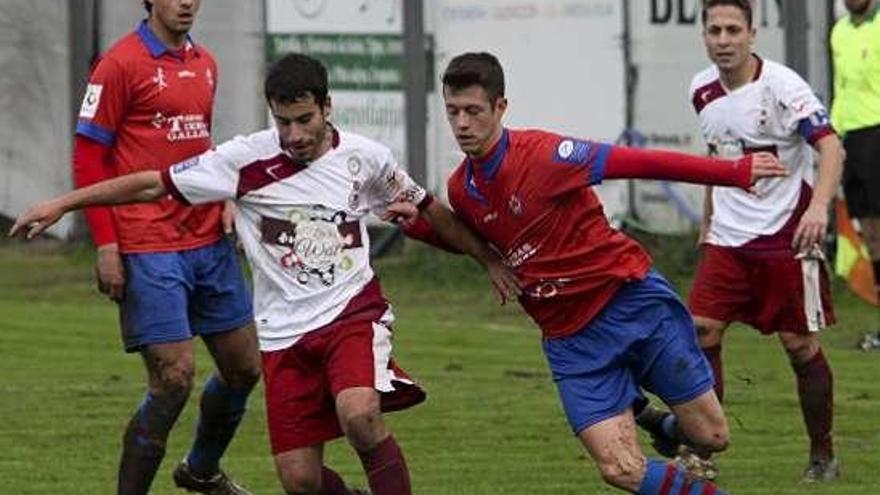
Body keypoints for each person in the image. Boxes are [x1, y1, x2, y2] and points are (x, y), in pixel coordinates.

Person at [13, 52, 520, 495]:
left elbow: (428, 209)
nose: (295, 135)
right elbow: (152, 185)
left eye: (304, 119)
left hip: (350, 314)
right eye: (284, 122)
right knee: (299, 480)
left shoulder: (366, 159)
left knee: (360, 414)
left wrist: (488, 258)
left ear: (327, 107)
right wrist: (63, 203)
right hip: (282, 335)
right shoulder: (244, 160)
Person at [386, 51, 787, 495]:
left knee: (712, 436)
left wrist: (734, 172)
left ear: (501, 108)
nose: (462, 124)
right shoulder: (462, 189)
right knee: (620, 469)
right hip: (571, 341)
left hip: (630, 302)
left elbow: (640, 162)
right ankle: (651, 422)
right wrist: (422, 227)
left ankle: (664, 424)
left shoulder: (546, 155)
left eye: (474, 111)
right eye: (453, 112)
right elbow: (482, 240)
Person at [71, 0, 260, 493]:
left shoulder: (206, 64)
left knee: (244, 367)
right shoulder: (118, 64)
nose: (186, 2)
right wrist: (106, 243)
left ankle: (200, 470)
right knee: (174, 377)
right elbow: (89, 156)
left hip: (208, 241)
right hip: (147, 242)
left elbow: (199, 148)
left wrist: (224, 196)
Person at [685, 0, 844, 483]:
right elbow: (718, 158)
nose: (724, 39)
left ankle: (822, 454)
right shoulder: (701, 90)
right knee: (701, 331)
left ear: (753, 34)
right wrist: (708, 221)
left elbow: (830, 145)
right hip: (728, 240)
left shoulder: (783, 87)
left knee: (798, 345)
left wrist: (819, 208)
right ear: (705, 35)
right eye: (715, 30)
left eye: (734, 29)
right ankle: (702, 454)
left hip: (784, 236)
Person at [830, 0, 880, 350]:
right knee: (871, 234)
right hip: (850, 137)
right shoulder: (839, 32)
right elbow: (841, 88)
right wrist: (833, 134)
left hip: (879, 131)